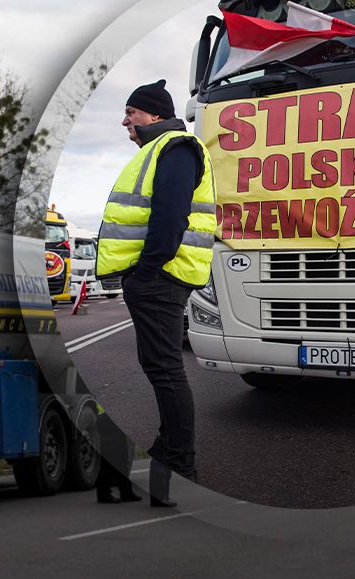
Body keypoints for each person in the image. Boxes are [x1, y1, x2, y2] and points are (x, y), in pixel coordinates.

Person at [95, 80, 216, 507]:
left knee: (165, 369)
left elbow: (170, 215)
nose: (125, 121)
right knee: (159, 366)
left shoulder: (176, 148)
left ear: (154, 114)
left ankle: (181, 464)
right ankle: (164, 467)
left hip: (161, 277)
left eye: (131, 112)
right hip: (158, 277)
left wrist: (147, 270)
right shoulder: (162, 149)